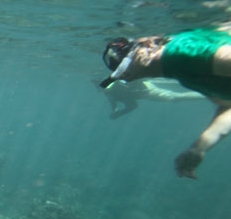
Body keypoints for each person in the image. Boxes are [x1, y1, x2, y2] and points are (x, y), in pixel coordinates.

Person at [99, 25, 231, 178]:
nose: (127, 76)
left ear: (147, 45)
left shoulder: (179, 53)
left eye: (126, 65)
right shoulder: (178, 71)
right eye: (121, 74)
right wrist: (199, 148)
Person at [98, 77, 204, 119]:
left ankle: (205, 94)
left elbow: (133, 106)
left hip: (150, 92)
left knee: (176, 97)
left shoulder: (118, 90)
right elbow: (111, 99)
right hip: (146, 88)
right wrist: (115, 109)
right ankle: (205, 93)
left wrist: (119, 113)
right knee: (176, 96)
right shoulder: (110, 89)